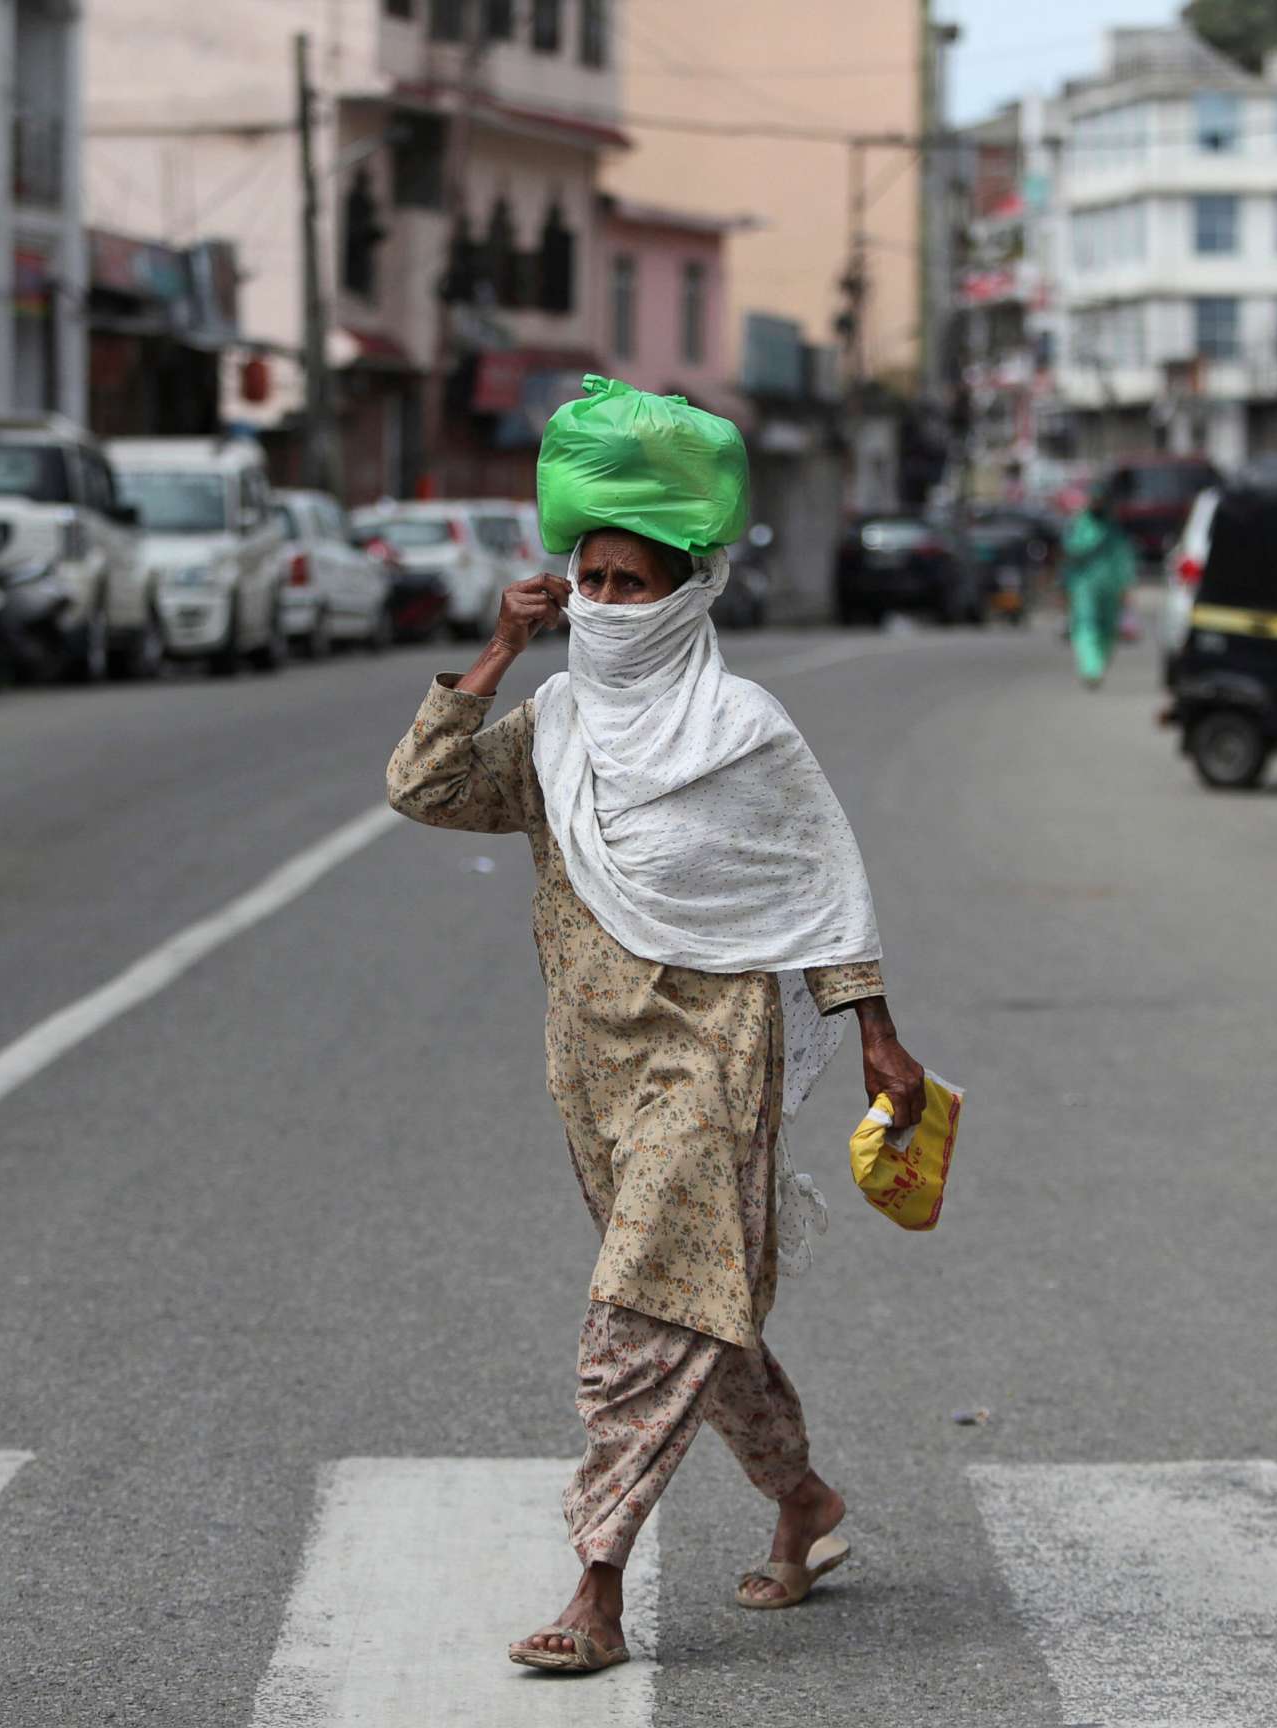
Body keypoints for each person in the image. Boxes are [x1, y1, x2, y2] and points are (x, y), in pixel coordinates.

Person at [385, 396, 925, 1678]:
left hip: (715, 1054)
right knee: (701, 1313)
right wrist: (494, 657)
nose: (614, 603)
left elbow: (817, 887)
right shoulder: (552, 735)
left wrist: (876, 1037)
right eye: (595, 579)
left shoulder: (744, 732)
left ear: (693, 591)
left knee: (636, 1314)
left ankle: (597, 1581)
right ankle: (804, 1501)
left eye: (641, 582)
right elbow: (423, 788)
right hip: (594, 1070)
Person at [1062, 481, 1137, 689]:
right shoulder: (1079, 525)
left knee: (1108, 630)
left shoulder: (1114, 529)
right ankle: (1091, 668)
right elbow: (1071, 552)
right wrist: (1064, 584)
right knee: (1085, 625)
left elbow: (1124, 559)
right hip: (1084, 586)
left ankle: (1098, 664)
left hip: (1111, 586)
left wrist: (1127, 586)